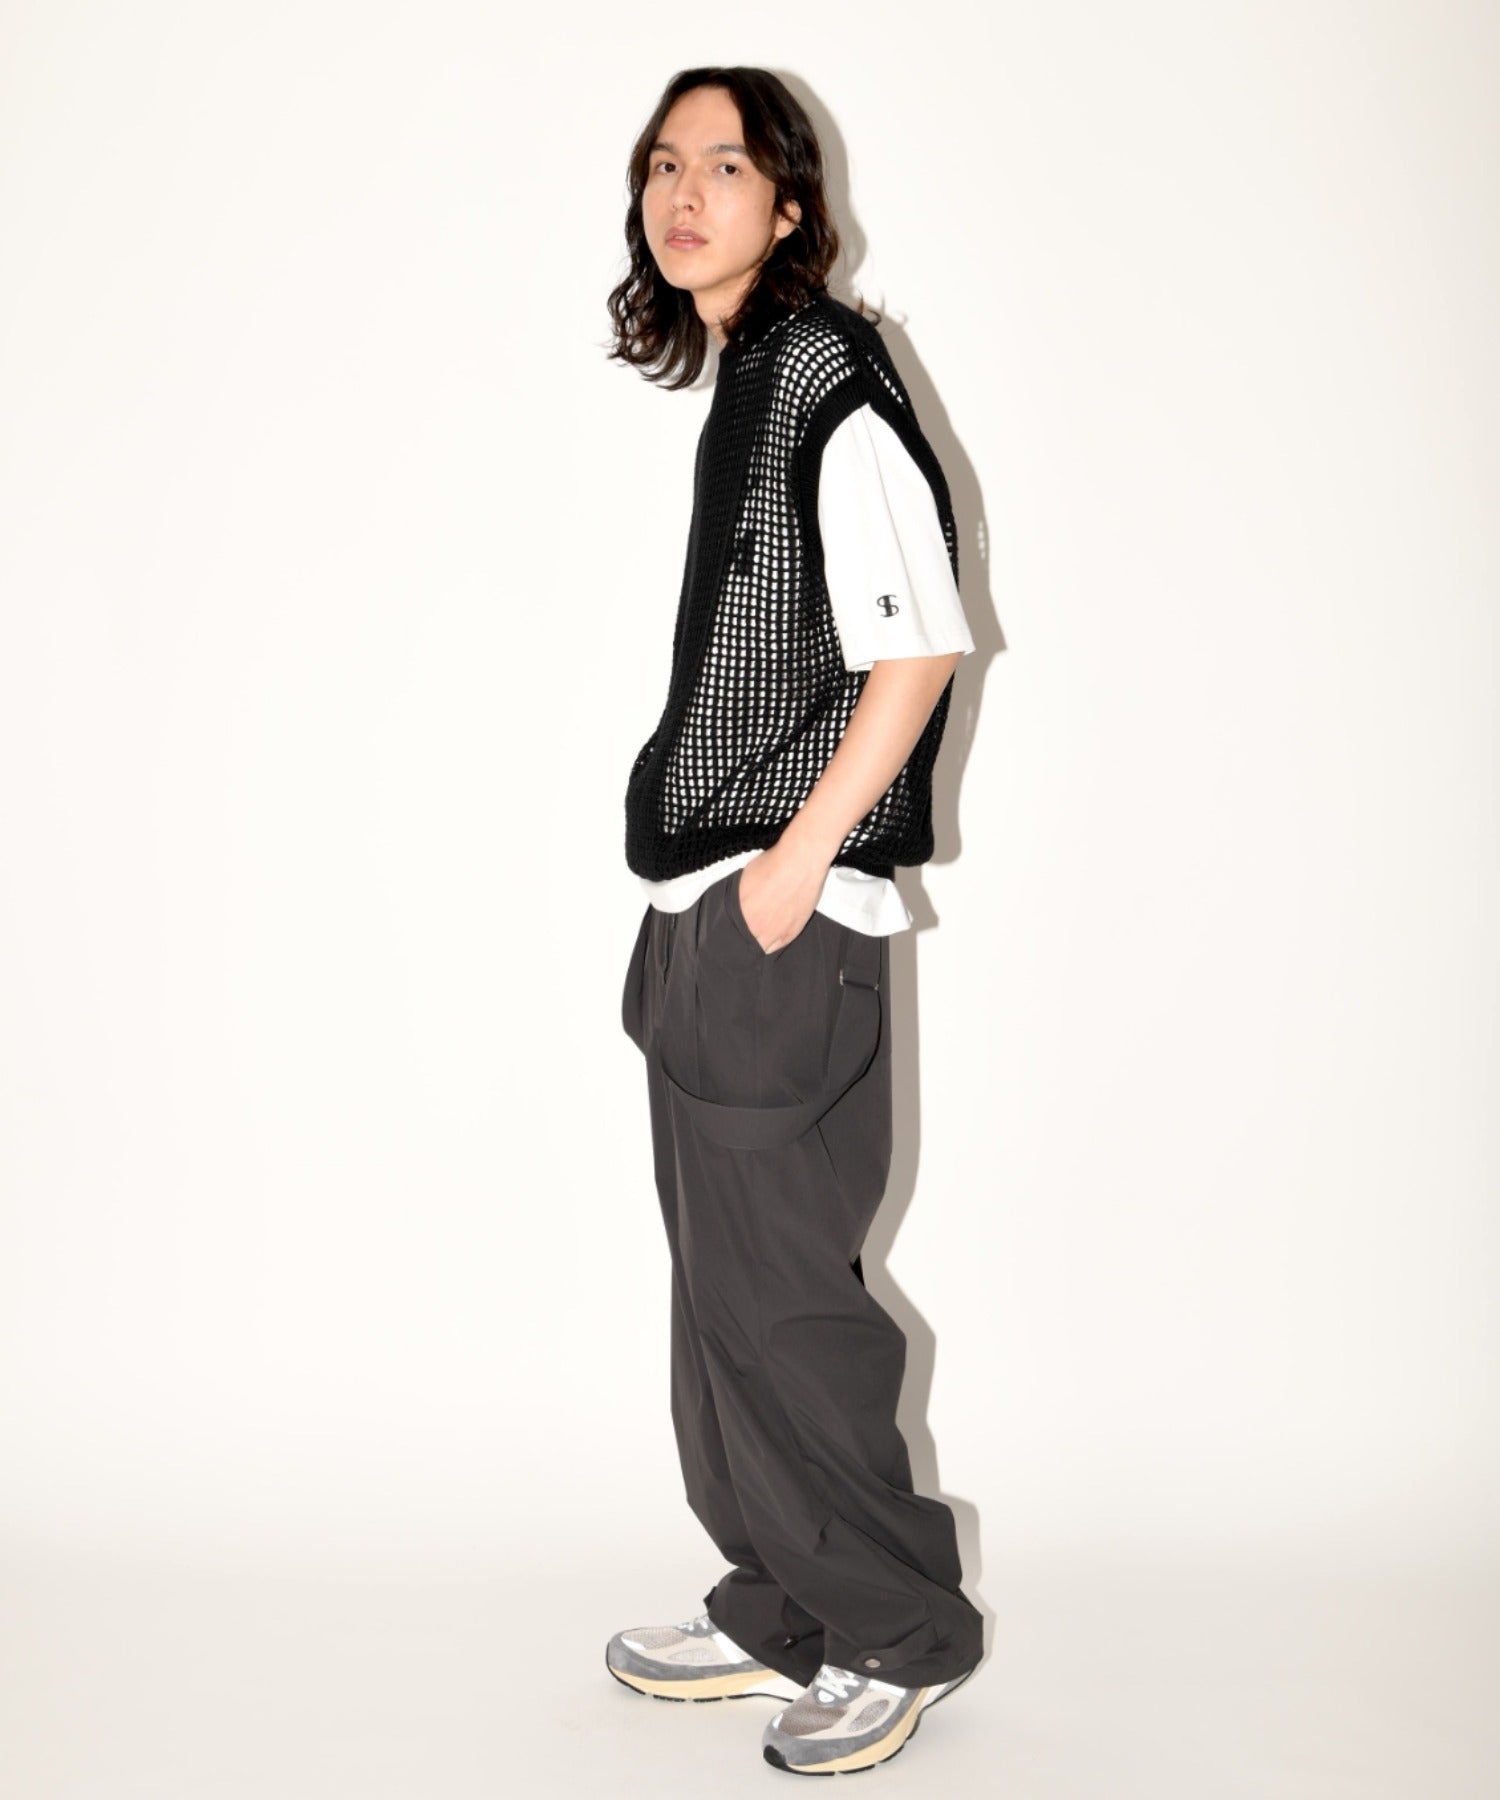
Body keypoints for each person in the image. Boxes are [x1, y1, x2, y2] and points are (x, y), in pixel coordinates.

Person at [605, 67, 984, 1777]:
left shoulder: (825, 369)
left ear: (789, 202)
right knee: (722, 1299)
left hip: (779, 912)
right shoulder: (752, 378)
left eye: (724, 165)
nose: (685, 195)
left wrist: (786, 868)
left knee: (784, 1303)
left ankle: (896, 1630)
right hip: (707, 909)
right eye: (661, 167)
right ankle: (783, 1605)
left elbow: (921, 644)